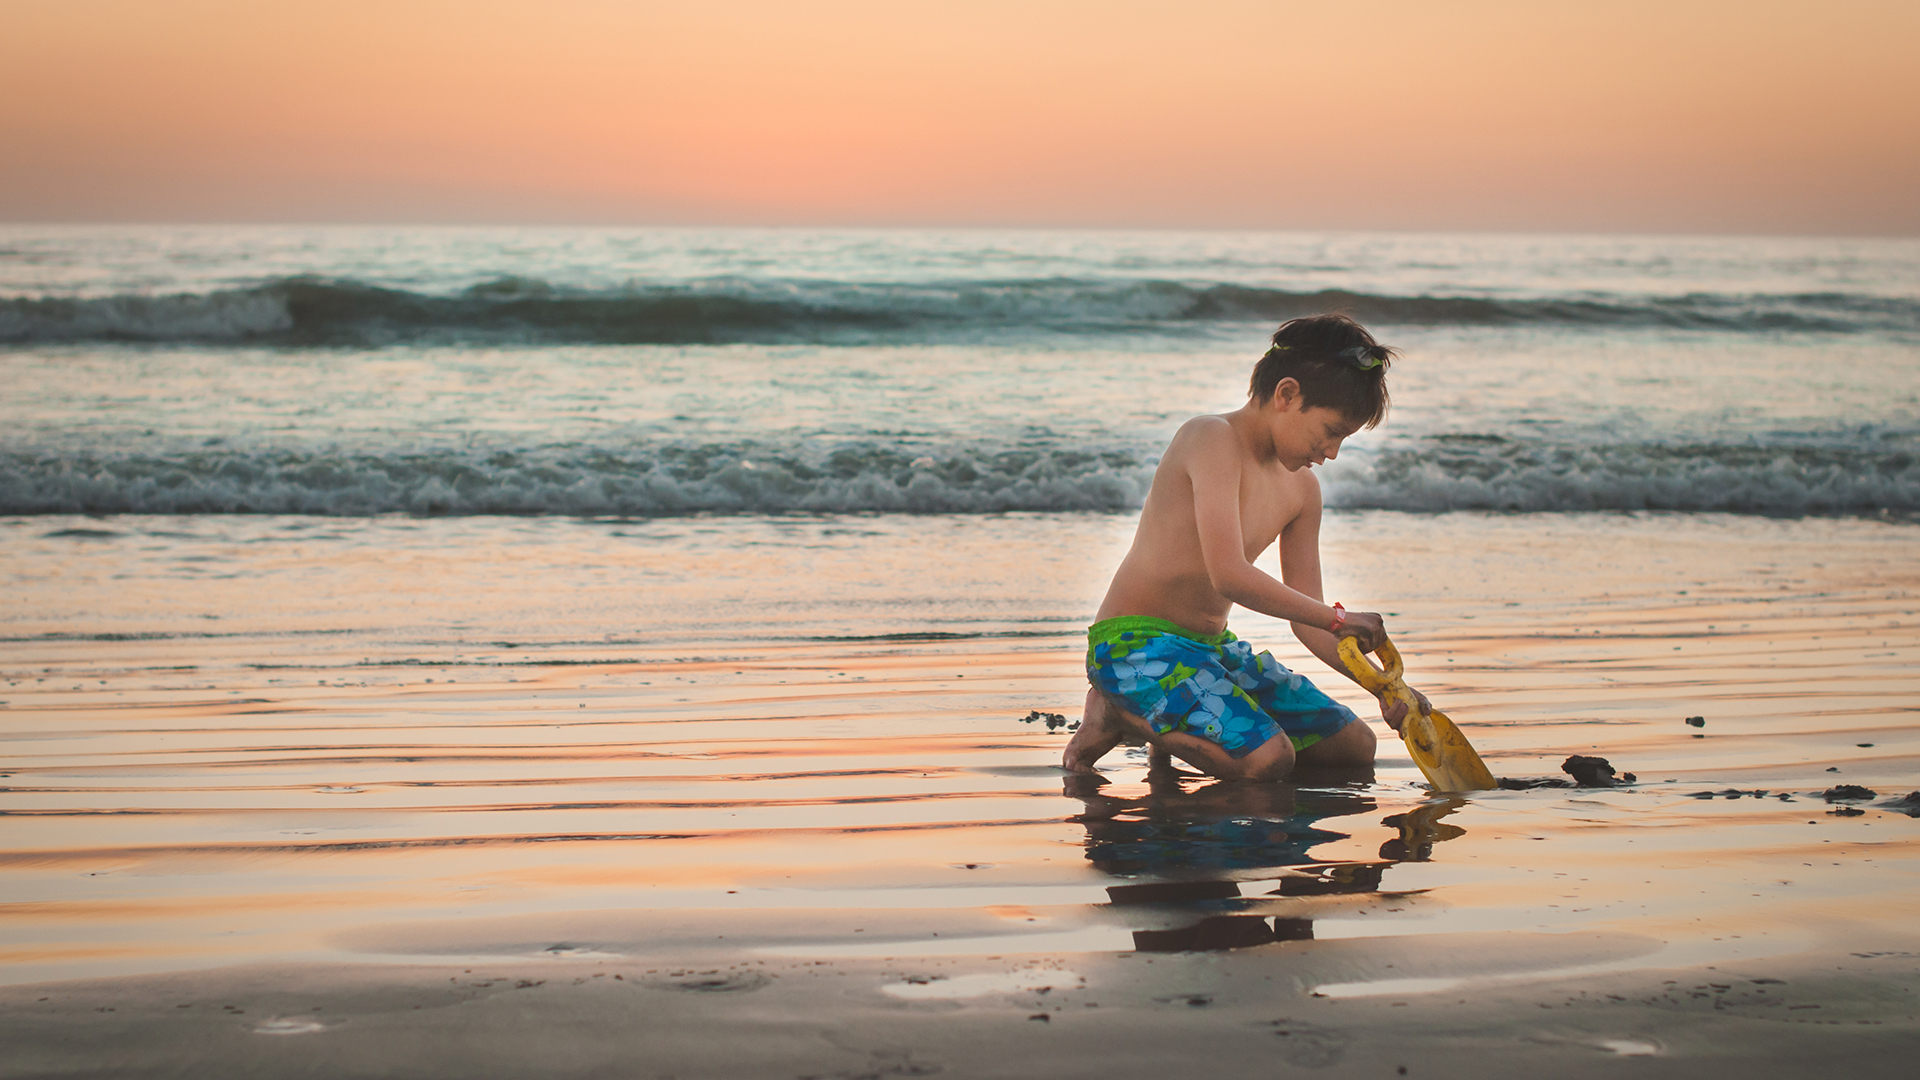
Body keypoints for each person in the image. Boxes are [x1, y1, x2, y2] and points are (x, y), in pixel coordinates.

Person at [1063, 313, 1426, 782]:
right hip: (1133, 646)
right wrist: (1338, 618)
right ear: (1287, 394)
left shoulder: (1302, 490)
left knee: (1354, 746)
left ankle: (1170, 717)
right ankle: (1117, 713)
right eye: (1331, 430)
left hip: (1211, 650)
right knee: (1268, 759)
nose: (1332, 452)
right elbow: (1229, 574)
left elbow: (1307, 622)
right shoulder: (1211, 438)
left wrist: (1385, 688)